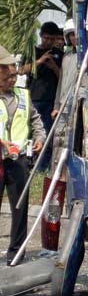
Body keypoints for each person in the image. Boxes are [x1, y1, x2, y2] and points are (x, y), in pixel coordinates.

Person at [0, 45, 46, 266]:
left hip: (18, 162)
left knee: (19, 208)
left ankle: (16, 254)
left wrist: (40, 138)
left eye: (14, 76)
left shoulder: (23, 96)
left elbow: (36, 120)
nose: (12, 80)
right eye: (8, 76)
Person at [20, 21, 62, 170]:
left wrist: (54, 67)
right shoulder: (32, 52)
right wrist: (39, 62)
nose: (48, 42)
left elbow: (64, 77)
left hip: (51, 100)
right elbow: (21, 70)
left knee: (48, 135)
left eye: (52, 39)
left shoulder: (59, 54)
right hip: (33, 99)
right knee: (30, 134)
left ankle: (42, 166)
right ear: (41, 36)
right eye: (46, 38)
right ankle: (28, 163)